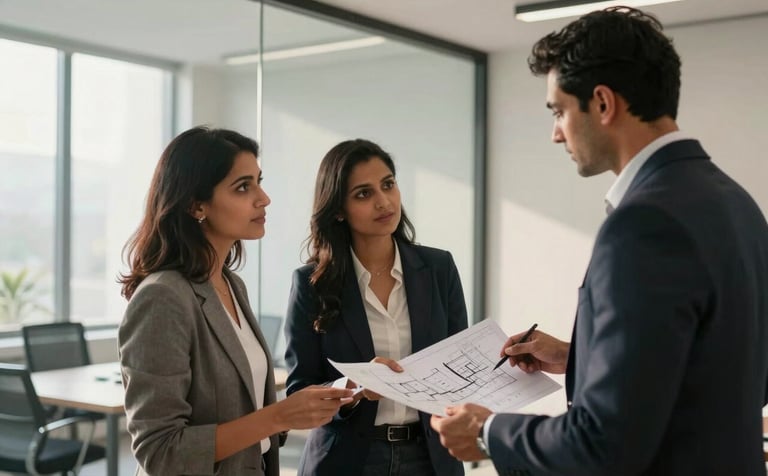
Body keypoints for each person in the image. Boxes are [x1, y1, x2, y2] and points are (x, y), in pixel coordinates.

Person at [431, 7, 768, 476]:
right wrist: (579, 357)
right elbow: (731, 371)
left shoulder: (643, 224)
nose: (555, 133)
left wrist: (488, 433)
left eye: (559, 110)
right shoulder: (738, 204)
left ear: (603, 103)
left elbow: (603, 445)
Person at [118, 127, 353, 476]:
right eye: (243, 187)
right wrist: (278, 416)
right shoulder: (163, 296)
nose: (263, 198)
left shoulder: (230, 284)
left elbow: (246, 409)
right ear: (196, 205)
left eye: (258, 181)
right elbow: (160, 452)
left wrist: (331, 393)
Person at [284, 139, 468, 476]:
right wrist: (350, 389)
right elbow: (300, 389)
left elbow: (457, 364)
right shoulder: (313, 284)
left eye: (388, 185)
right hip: (347, 460)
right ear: (338, 210)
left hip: (430, 458)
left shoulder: (439, 268)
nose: (384, 202)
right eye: (363, 194)